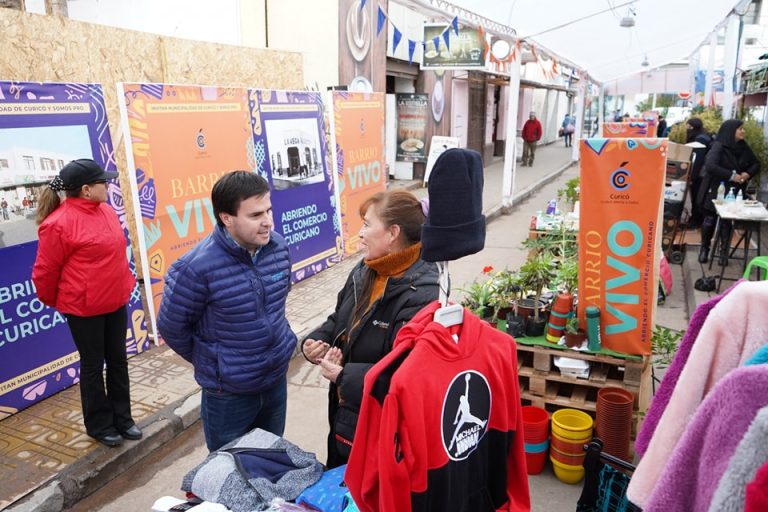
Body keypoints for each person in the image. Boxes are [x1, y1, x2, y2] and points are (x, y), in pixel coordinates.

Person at [157, 171, 295, 452]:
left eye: (269, 210)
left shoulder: (278, 247)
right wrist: (216, 361)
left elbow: (276, 305)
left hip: (275, 381)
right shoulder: (194, 268)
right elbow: (172, 327)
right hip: (229, 395)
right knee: (229, 473)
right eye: (256, 215)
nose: (268, 221)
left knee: (271, 461)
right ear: (226, 218)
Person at [302, 190, 438, 468]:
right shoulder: (365, 270)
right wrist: (317, 340)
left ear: (392, 234)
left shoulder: (423, 292)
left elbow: (405, 371)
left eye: (367, 224)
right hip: (346, 409)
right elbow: (339, 319)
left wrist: (344, 375)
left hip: (380, 419)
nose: (360, 234)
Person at [32, 159, 140, 447]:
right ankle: (99, 425)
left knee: (118, 360)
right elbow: (45, 271)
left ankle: (123, 419)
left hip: (115, 299)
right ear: (86, 190)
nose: (109, 185)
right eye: (103, 182)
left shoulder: (105, 210)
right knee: (93, 365)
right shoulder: (57, 224)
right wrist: (59, 300)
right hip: (84, 308)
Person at [697, 119, 760, 265]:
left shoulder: (743, 147)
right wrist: (732, 176)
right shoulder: (718, 146)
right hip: (715, 189)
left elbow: (756, 163)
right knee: (709, 219)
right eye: (740, 129)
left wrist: (747, 174)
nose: (743, 131)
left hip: (734, 192)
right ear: (731, 131)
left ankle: (724, 252)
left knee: (727, 222)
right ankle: (704, 249)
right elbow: (710, 165)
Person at [685, 117, 713, 230]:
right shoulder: (704, 136)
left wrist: (692, 176)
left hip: (700, 174)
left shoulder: (699, 139)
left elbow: (698, 160)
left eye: (687, 125)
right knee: (699, 196)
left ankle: (696, 220)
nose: (685, 127)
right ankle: (697, 219)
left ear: (691, 126)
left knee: (697, 197)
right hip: (703, 174)